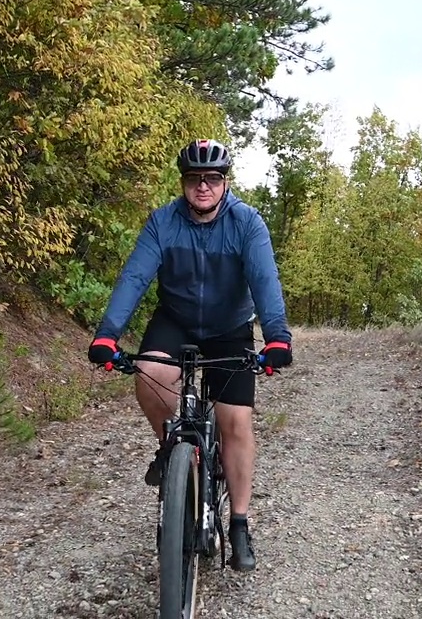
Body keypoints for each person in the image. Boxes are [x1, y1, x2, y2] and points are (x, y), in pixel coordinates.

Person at [86, 138, 293, 572]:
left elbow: (265, 281)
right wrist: (108, 335)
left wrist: (277, 337)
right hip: (175, 319)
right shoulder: (163, 222)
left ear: (225, 182)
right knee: (148, 372)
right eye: (194, 178)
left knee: (235, 422)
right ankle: (171, 450)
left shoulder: (246, 223)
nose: (203, 186)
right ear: (183, 182)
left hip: (229, 328)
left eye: (212, 178)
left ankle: (238, 522)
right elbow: (135, 277)